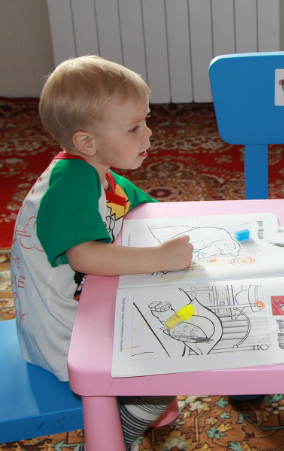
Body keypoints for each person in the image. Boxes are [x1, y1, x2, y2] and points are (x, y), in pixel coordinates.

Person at [11, 55, 194, 451]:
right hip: (64, 336)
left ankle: (144, 408)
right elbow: (85, 256)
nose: (148, 134)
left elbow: (132, 201)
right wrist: (160, 258)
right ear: (86, 142)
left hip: (81, 307)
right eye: (134, 127)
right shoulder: (70, 185)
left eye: (146, 121)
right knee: (167, 362)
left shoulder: (93, 170)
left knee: (167, 314)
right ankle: (122, 430)